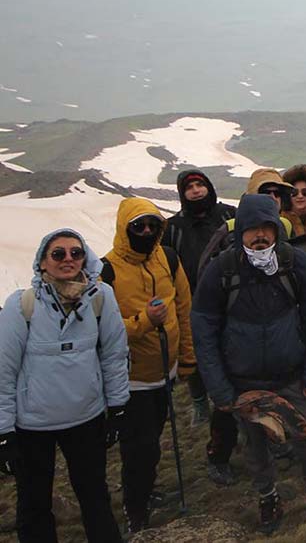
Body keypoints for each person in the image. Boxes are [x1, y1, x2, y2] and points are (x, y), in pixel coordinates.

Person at [190, 194, 306, 534]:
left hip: (292, 376)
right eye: (252, 228)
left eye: (266, 228)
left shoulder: (294, 262)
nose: (259, 236)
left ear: (276, 230)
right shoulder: (221, 270)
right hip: (243, 383)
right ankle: (268, 496)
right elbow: (204, 331)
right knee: (255, 449)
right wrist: (220, 389)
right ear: (240, 231)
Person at [0, 230, 130, 542]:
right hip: (32, 425)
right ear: (42, 262)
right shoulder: (22, 306)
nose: (68, 259)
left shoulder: (101, 297)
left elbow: (114, 355)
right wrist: (4, 432)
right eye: (58, 254)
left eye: (76, 252)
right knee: (34, 504)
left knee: (95, 497)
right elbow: (4, 370)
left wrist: (118, 406)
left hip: (86, 418)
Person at [105, 198, 194, 533]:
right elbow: (104, 329)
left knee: (152, 441)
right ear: (124, 229)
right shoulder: (107, 270)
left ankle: (144, 491)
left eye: (153, 226)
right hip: (131, 381)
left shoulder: (168, 259)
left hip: (164, 373)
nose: (146, 232)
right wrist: (145, 321)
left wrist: (186, 359)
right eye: (138, 226)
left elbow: (183, 311)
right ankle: (135, 507)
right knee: (138, 447)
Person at [163, 170, 236, 428]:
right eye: (189, 187)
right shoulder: (173, 227)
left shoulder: (228, 214)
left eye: (200, 184)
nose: (196, 190)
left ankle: (230, 396)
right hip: (193, 299)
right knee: (195, 352)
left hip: (231, 296)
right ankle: (199, 401)